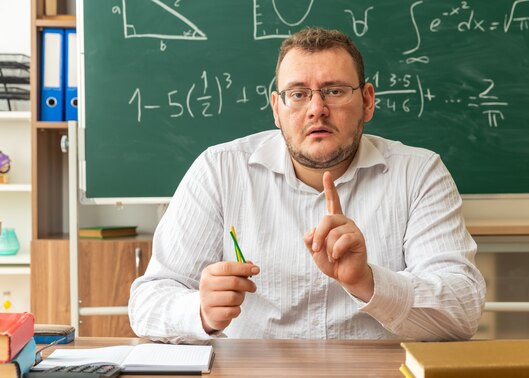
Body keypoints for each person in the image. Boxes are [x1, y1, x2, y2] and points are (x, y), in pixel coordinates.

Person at [129, 27, 485, 343]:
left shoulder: (419, 173)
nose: (317, 109)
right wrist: (201, 311)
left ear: (367, 101)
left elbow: (463, 309)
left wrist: (367, 282)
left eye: (334, 91)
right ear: (276, 108)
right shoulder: (219, 170)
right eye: (298, 94)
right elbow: (149, 301)